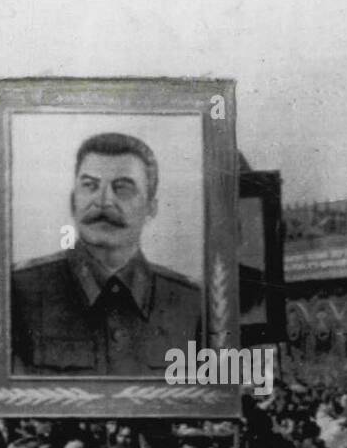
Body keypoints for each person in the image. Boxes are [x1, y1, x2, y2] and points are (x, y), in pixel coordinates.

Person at [11, 132, 203, 376]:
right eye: (90, 186)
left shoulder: (192, 303)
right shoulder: (17, 290)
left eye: (122, 188)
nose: (103, 201)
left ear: (151, 208)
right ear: (73, 202)